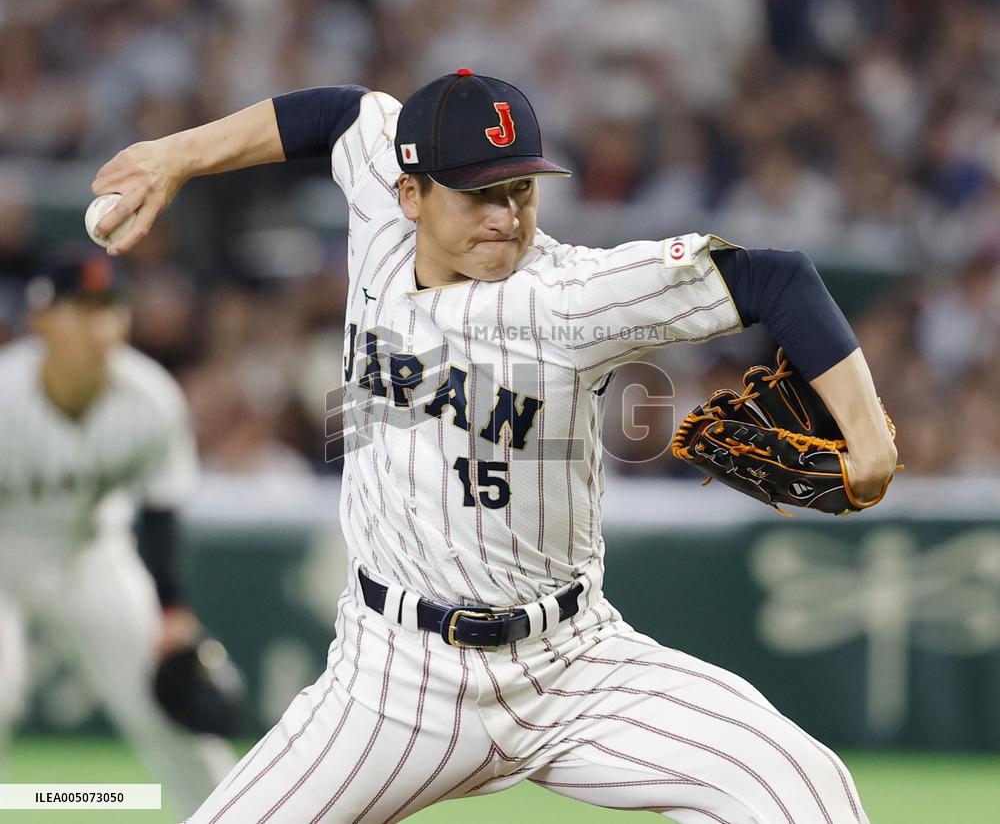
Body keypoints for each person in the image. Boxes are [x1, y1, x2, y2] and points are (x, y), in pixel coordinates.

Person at [93, 69, 897, 823]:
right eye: (478, 193)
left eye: (520, 189)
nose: (505, 216)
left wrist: (869, 443)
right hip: (395, 678)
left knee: (803, 784)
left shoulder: (573, 297)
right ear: (409, 192)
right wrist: (176, 156)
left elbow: (776, 278)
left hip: (571, 664)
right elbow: (337, 113)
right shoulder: (380, 215)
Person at [0, 255, 237, 818]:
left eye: (108, 309)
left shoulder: (149, 395)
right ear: (40, 320)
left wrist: (171, 610)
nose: (97, 325)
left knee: (164, 702)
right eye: (78, 310)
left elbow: (160, 507)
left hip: (91, 553)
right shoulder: (5, 393)